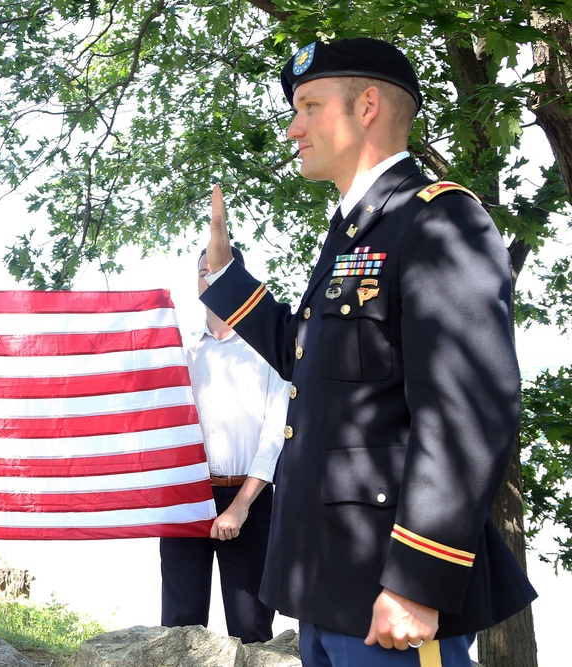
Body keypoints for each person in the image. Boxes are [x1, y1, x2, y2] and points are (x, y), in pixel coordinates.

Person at [200, 37, 537, 666]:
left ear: (369, 106)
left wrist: (418, 577)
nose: (293, 129)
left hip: (392, 592)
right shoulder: (353, 231)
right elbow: (314, 366)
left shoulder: (437, 220)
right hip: (327, 582)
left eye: (308, 106)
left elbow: (469, 411)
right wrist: (227, 282)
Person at [160, 246, 289, 643]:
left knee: (250, 628)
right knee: (180, 627)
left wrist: (240, 506)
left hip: (251, 502)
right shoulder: (180, 352)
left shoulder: (270, 349)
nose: (209, 280)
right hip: (185, 500)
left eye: (218, 273)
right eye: (202, 272)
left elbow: (274, 438)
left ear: (238, 283)